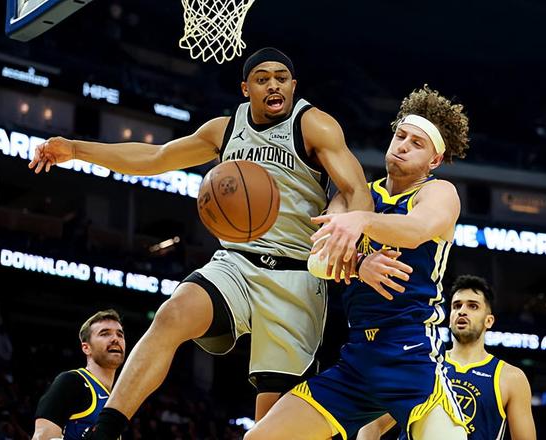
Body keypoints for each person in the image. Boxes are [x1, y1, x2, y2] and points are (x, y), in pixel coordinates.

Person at [28, 47, 372, 439]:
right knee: (171, 315)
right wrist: (76, 149)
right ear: (246, 89)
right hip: (236, 263)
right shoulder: (223, 130)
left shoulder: (314, 125)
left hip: (295, 276)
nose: (273, 85)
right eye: (262, 79)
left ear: (293, 85)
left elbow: (357, 191)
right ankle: (106, 431)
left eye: (281, 78)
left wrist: (351, 238)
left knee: (271, 426)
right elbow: (155, 157)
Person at [244, 85, 471, 440]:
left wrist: (361, 221)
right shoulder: (357, 193)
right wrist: (360, 264)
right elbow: (318, 260)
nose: (403, 146)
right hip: (358, 358)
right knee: (259, 437)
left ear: (435, 161)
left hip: (411, 355)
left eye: (417, 143)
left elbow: (416, 230)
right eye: (401, 136)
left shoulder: (438, 192)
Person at [357, 275, 537, 440]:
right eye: (457, 306)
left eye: (473, 306)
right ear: (449, 318)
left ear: (489, 321)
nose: (462, 311)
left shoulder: (511, 378)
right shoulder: (419, 363)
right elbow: (372, 424)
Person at [32, 310, 126, 440]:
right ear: (86, 348)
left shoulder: (114, 397)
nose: (115, 339)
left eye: (120, 335)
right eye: (105, 334)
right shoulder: (71, 382)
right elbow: (42, 437)